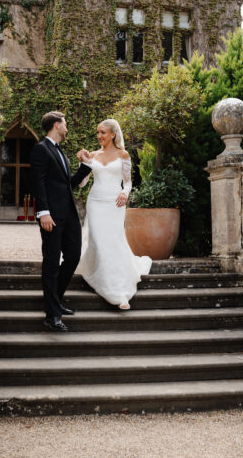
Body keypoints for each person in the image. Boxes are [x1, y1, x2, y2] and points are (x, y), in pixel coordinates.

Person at [75, 118, 152, 309]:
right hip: (95, 202)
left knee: (114, 241)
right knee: (99, 242)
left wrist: (125, 193)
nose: (99, 136)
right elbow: (82, 183)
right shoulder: (92, 155)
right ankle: (109, 287)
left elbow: (127, 182)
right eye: (98, 132)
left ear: (113, 134)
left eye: (103, 132)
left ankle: (120, 291)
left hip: (115, 204)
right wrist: (82, 163)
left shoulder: (123, 155)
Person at [30, 111, 93, 332]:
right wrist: (43, 212)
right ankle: (52, 315)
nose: (67, 128)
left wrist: (86, 167)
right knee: (51, 261)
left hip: (69, 215)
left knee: (74, 255)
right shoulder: (41, 149)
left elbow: (68, 185)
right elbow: (38, 183)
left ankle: (55, 301)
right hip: (51, 217)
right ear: (57, 125)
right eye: (65, 124)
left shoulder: (61, 153)